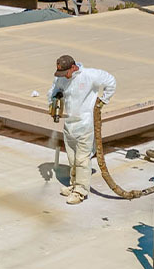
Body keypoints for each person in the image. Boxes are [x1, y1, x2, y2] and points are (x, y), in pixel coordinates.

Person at [47, 55, 116, 205]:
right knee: (72, 158)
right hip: (69, 123)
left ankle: (81, 191)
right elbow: (53, 90)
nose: (64, 76)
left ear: (73, 67)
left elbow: (111, 81)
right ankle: (74, 184)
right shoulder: (61, 78)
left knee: (82, 159)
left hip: (85, 123)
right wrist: (53, 100)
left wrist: (103, 100)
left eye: (66, 72)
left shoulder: (89, 75)